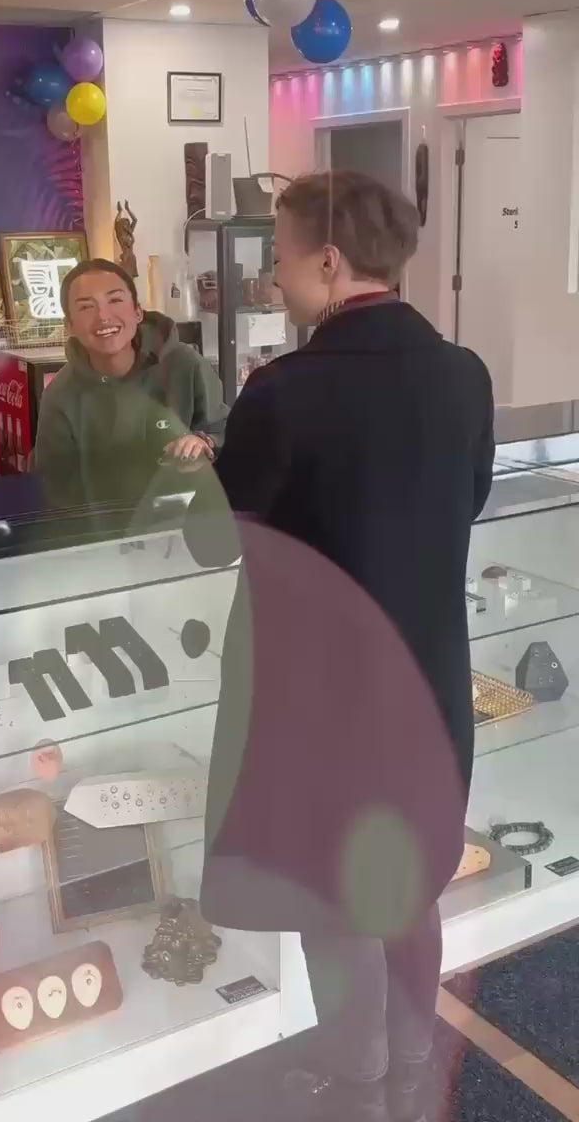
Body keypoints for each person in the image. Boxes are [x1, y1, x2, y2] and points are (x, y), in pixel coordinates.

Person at [185, 171, 495, 1122]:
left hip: (323, 701)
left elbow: (215, 537)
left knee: (334, 891)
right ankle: (412, 1064)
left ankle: (359, 1079)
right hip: (431, 683)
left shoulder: (283, 391)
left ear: (327, 261)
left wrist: (204, 468)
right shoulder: (465, 373)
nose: (273, 277)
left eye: (280, 257)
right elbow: (470, 499)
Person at [33, 259, 228, 507]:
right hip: (103, 525)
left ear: (138, 312)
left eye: (115, 300)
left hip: (190, 519)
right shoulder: (60, 394)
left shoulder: (185, 365)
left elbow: (224, 430)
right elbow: (53, 484)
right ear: (69, 325)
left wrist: (203, 442)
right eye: (86, 307)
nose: (103, 316)